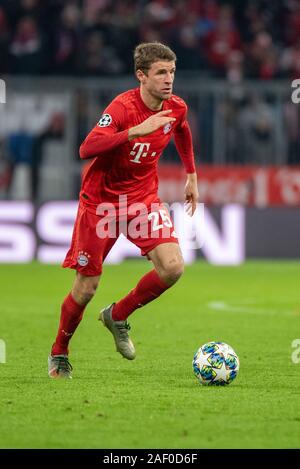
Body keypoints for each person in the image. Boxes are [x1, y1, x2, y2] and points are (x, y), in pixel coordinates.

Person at [48, 42, 199, 379]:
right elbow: (87, 147)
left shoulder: (176, 108)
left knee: (173, 267)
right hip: (102, 204)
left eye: (172, 72)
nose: (168, 79)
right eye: (161, 72)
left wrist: (191, 174)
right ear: (141, 76)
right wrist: (133, 131)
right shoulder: (121, 108)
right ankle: (59, 352)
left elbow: (183, 131)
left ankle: (117, 315)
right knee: (86, 288)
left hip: (142, 200)